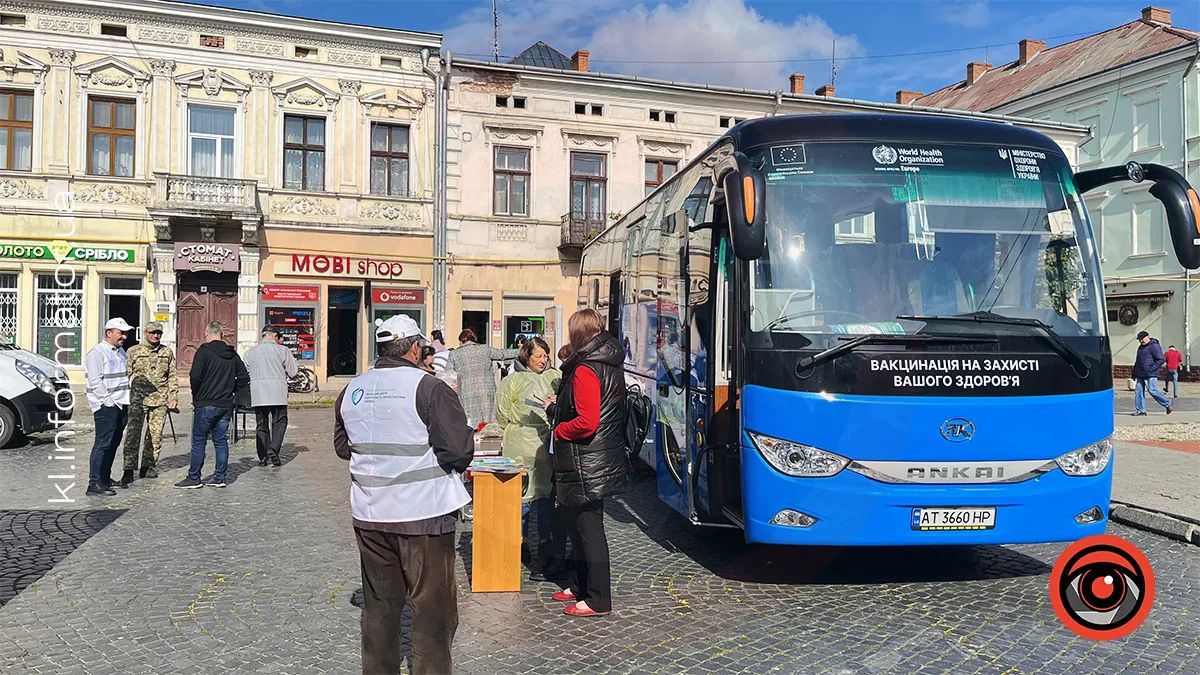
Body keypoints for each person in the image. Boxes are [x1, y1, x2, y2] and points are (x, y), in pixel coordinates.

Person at [333, 314, 473, 675]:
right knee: (432, 610)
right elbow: (458, 451)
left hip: (370, 514)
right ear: (415, 347)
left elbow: (342, 447)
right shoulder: (430, 388)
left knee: (380, 607)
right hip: (423, 514)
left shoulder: (352, 389)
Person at [550, 309, 627, 617]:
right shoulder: (607, 362)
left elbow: (586, 421)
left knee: (588, 529)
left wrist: (559, 429)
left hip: (587, 459)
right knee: (580, 525)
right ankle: (581, 585)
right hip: (596, 456)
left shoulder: (586, 368)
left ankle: (597, 598)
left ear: (577, 334)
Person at [494, 337, 562, 581]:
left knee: (543, 496)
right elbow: (501, 413)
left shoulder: (554, 377)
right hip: (519, 442)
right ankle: (519, 543)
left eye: (546, 356)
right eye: (538, 356)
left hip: (543, 443)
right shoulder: (512, 381)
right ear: (527, 356)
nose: (543, 361)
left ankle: (545, 544)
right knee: (520, 497)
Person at [176, 322, 249, 489]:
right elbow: (244, 377)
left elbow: (195, 376)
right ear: (222, 334)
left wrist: (197, 394)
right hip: (225, 404)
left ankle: (194, 478)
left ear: (207, 334)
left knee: (199, 441)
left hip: (205, 403)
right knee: (221, 441)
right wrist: (232, 390)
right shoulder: (232, 354)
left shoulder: (204, 351)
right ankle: (220, 478)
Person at [119, 321, 177, 486]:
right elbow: (125, 374)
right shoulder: (133, 351)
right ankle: (128, 468)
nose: (155, 335)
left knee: (155, 435)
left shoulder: (167, 352)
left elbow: (172, 375)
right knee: (133, 434)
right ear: (145, 333)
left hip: (160, 399)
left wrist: (174, 396)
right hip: (138, 399)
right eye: (152, 332)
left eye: (158, 333)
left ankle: (148, 465)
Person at [85, 318, 134, 496]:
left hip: (121, 403)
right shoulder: (97, 353)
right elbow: (95, 381)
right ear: (109, 333)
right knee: (102, 444)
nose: (124, 336)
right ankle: (94, 483)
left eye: (125, 333)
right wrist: (108, 402)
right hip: (106, 406)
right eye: (121, 333)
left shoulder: (120, 352)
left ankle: (105, 477)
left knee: (113, 443)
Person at [245, 325, 298, 468]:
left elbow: (245, 372)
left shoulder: (250, 352)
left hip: (258, 393)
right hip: (277, 393)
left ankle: (262, 457)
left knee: (261, 425)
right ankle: (274, 448)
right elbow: (293, 372)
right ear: (274, 336)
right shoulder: (283, 350)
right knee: (280, 421)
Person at [447, 328, 519, 425]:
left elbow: (448, 374)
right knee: (488, 424)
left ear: (461, 341)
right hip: (487, 391)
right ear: (474, 339)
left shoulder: (454, 354)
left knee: (470, 424)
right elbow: (503, 354)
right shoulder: (485, 349)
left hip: (466, 393)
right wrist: (522, 351)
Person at [1132, 330, 1172, 416]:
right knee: (1138, 391)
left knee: (1152, 390)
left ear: (1148, 337)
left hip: (1151, 374)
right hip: (1140, 373)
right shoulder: (1141, 347)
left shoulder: (1154, 346)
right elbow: (1138, 361)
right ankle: (1141, 410)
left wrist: (1150, 369)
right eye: (1139, 340)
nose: (1141, 341)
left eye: (1142, 339)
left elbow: (1161, 359)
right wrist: (1133, 373)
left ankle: (1167, 403)